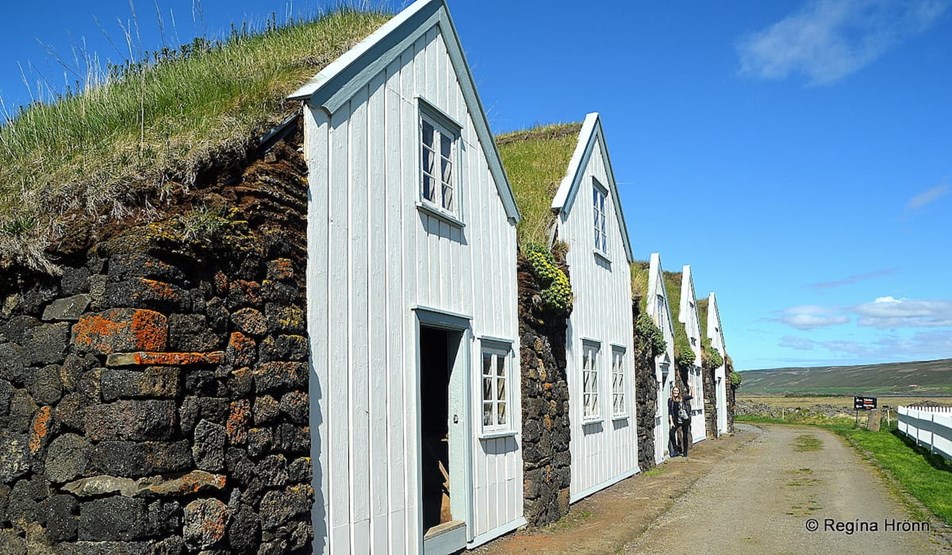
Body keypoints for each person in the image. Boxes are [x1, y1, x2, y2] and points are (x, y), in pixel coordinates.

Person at [668, 385, 693, 458]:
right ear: (672, 392)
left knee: (685, 436)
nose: (675, 392)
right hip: (676, 421)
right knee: (672, 434)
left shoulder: (682, 398)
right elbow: (670, 412)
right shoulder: (670, 400)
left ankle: (685, 452)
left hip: (684, 419)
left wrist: (691, 387)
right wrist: (671, 422)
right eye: (674, 391)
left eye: (677, 391)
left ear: (679, 392)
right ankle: (676, 450)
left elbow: (691, 396)